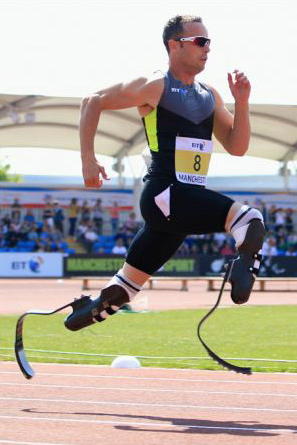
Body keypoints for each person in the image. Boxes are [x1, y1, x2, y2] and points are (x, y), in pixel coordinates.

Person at [63, 15, 265, 332]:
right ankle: (244, 270)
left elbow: (237, 146)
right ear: (174, 45)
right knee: (250, 220)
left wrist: (242, 103)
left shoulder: (209, 95)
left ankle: (81, 314)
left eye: (209, 42)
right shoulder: (156, 85)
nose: (207, 48)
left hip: (181, 204)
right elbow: (92, 101)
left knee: (125, 288)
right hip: (166, 193)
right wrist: (88, 159)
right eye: (200, 41)